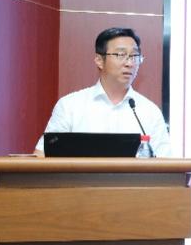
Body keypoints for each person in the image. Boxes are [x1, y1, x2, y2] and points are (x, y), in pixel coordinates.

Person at [35, 27, 171, 156]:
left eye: (134, 55)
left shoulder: (150, 112)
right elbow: (42, 155)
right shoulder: (70, 106)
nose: (130, 63)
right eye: (121, 54)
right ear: (99, 60)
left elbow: (165, 163)